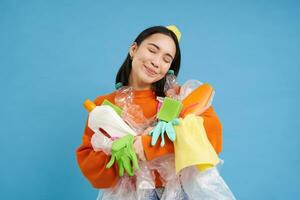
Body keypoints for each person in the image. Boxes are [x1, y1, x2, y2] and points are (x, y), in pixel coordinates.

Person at [76, 25, 222, 199]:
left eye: (166, 59)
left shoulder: (178, 99)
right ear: (133, 49)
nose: (156, 62)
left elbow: (212, 138)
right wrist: (119, 155)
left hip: (176, 194)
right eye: (152, 50)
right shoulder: (104, 107)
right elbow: (95, 175)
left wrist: (148, 146)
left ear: (169, 68)